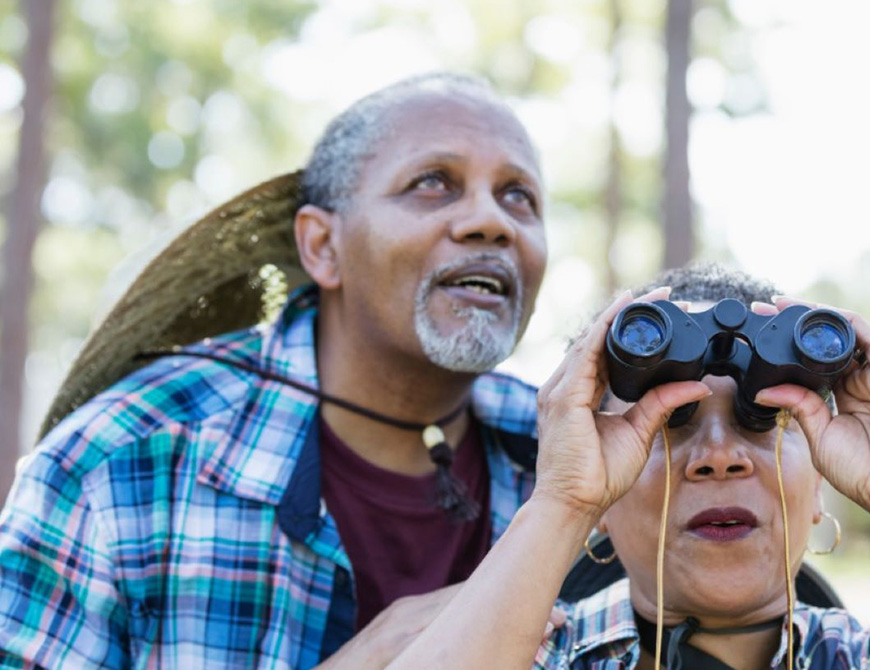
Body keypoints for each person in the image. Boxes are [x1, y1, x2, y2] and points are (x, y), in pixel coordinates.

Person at [0, 73, 562, 669]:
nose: (492, 222)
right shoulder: (117, 463)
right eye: (432, 183)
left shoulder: (576, 468)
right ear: (322, 246)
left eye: (518, 196)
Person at [383, 264, 870, 670]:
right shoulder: (524, 653)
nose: (718, 458)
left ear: (821, 492)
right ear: (602, 494)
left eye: (763, 418)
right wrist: (560, 502)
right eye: (669, 423)